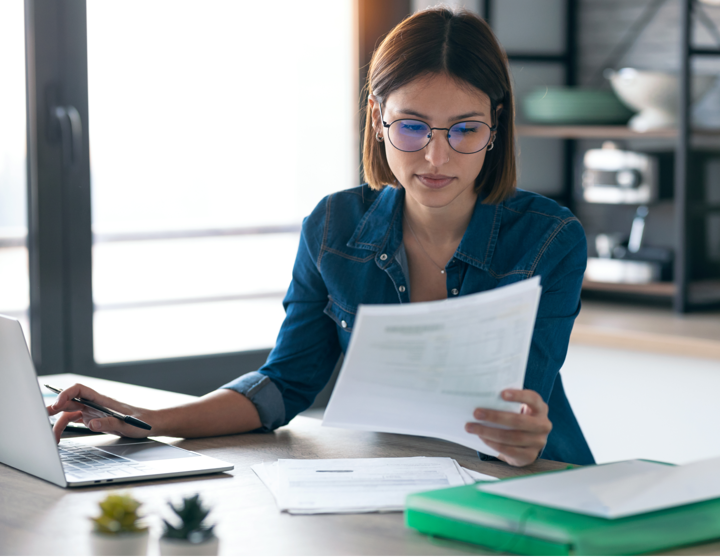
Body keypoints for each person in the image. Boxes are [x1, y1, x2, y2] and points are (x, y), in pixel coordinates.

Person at [48, 7, 594, 467]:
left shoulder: (550, 239)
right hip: (396, 483)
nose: (436, 156)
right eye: (412, 126)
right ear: (378, 118)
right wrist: (147, 421)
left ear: (495, 126)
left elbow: (523, 408)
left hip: (533, 480)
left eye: (465, 129)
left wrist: (522, 436)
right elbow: (284, 384)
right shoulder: (334, 227)